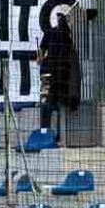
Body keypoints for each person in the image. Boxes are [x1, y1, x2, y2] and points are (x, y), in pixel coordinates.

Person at [38, 10, 79, 139]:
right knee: (61, 103)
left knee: (46, 103)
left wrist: (41, 59)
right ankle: (60, 135)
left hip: (48, 72)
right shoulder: (70, 35)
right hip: (62, 74)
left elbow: (40, 53)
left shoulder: (50, 32)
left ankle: (44, 132)